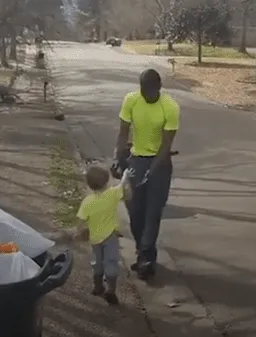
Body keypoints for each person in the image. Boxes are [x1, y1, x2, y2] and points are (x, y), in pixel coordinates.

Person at [116, 69, 180, 280]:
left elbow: (166, 144)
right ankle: (143, 250)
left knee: (153, 212)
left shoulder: (170, 106)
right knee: (135, 211)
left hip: (159, 163)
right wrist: (120, 157)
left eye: (150, 91)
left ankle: (146, 258)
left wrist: (152, 171)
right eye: (143, 90)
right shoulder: (131, 100)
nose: (146, 94)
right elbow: (123, 131)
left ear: (159, 88)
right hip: (137, 160)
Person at [76, 166, 132, 305]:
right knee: (111, 262)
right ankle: (111, 290)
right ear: (107, 182)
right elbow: (122, 185)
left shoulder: (87, 202)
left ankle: (98, 286)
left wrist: (79, 233)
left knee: (97, 263)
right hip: (111, 236)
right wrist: (126, 174)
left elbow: (81, 221)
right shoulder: (112, 194)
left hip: (95, 238)